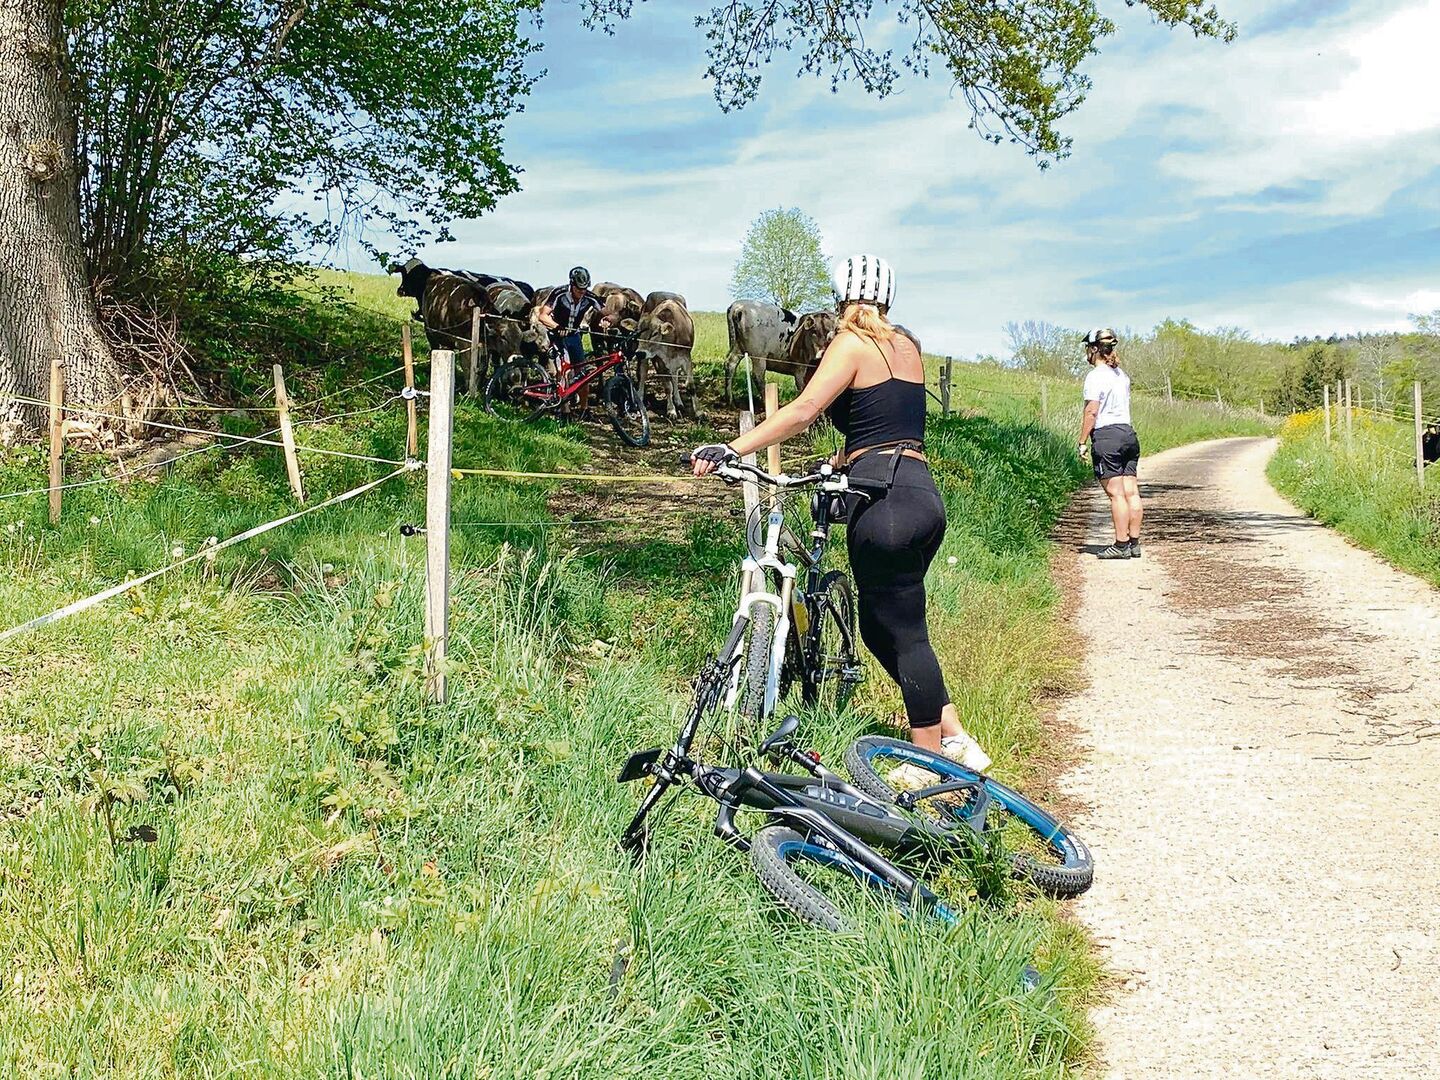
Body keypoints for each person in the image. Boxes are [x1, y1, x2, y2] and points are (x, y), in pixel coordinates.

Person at [689, 255, 990, 770]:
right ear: (887, 299)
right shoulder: (907, 345)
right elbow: (887, 423)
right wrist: (841, 459)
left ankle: (929, 762)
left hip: (884, 503)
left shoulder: (850, 343)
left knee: (907, 633)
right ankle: (953, 735)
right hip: (920, 494)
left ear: (840, 298)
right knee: (878, 626)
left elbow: (804, 410)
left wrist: (734, 449)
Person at [1077, 328, 1142, 559]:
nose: (1087, 352)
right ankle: (1134, 543)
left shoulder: (1095, 376)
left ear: (1094, 349)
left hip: (1108, 437)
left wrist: (1082, 441)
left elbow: (1092, 412)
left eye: (1088, 348)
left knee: (1116, 495)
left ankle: (1121, 545)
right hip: (1128, 434)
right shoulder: (1121, 375)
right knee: (1131, 492)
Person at [535, 266, 612, 410]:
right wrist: (556, 327)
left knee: (582, 374)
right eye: (579, 289)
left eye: (584, 289)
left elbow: (607, 312)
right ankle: (564, 410)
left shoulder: (589, 297)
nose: (581, 292)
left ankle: (584, 409)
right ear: (572, 285)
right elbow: (543, 315)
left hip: (574, 336)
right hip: (557, 336)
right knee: (563, 371)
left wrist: (608, 319)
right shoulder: (559, 293)